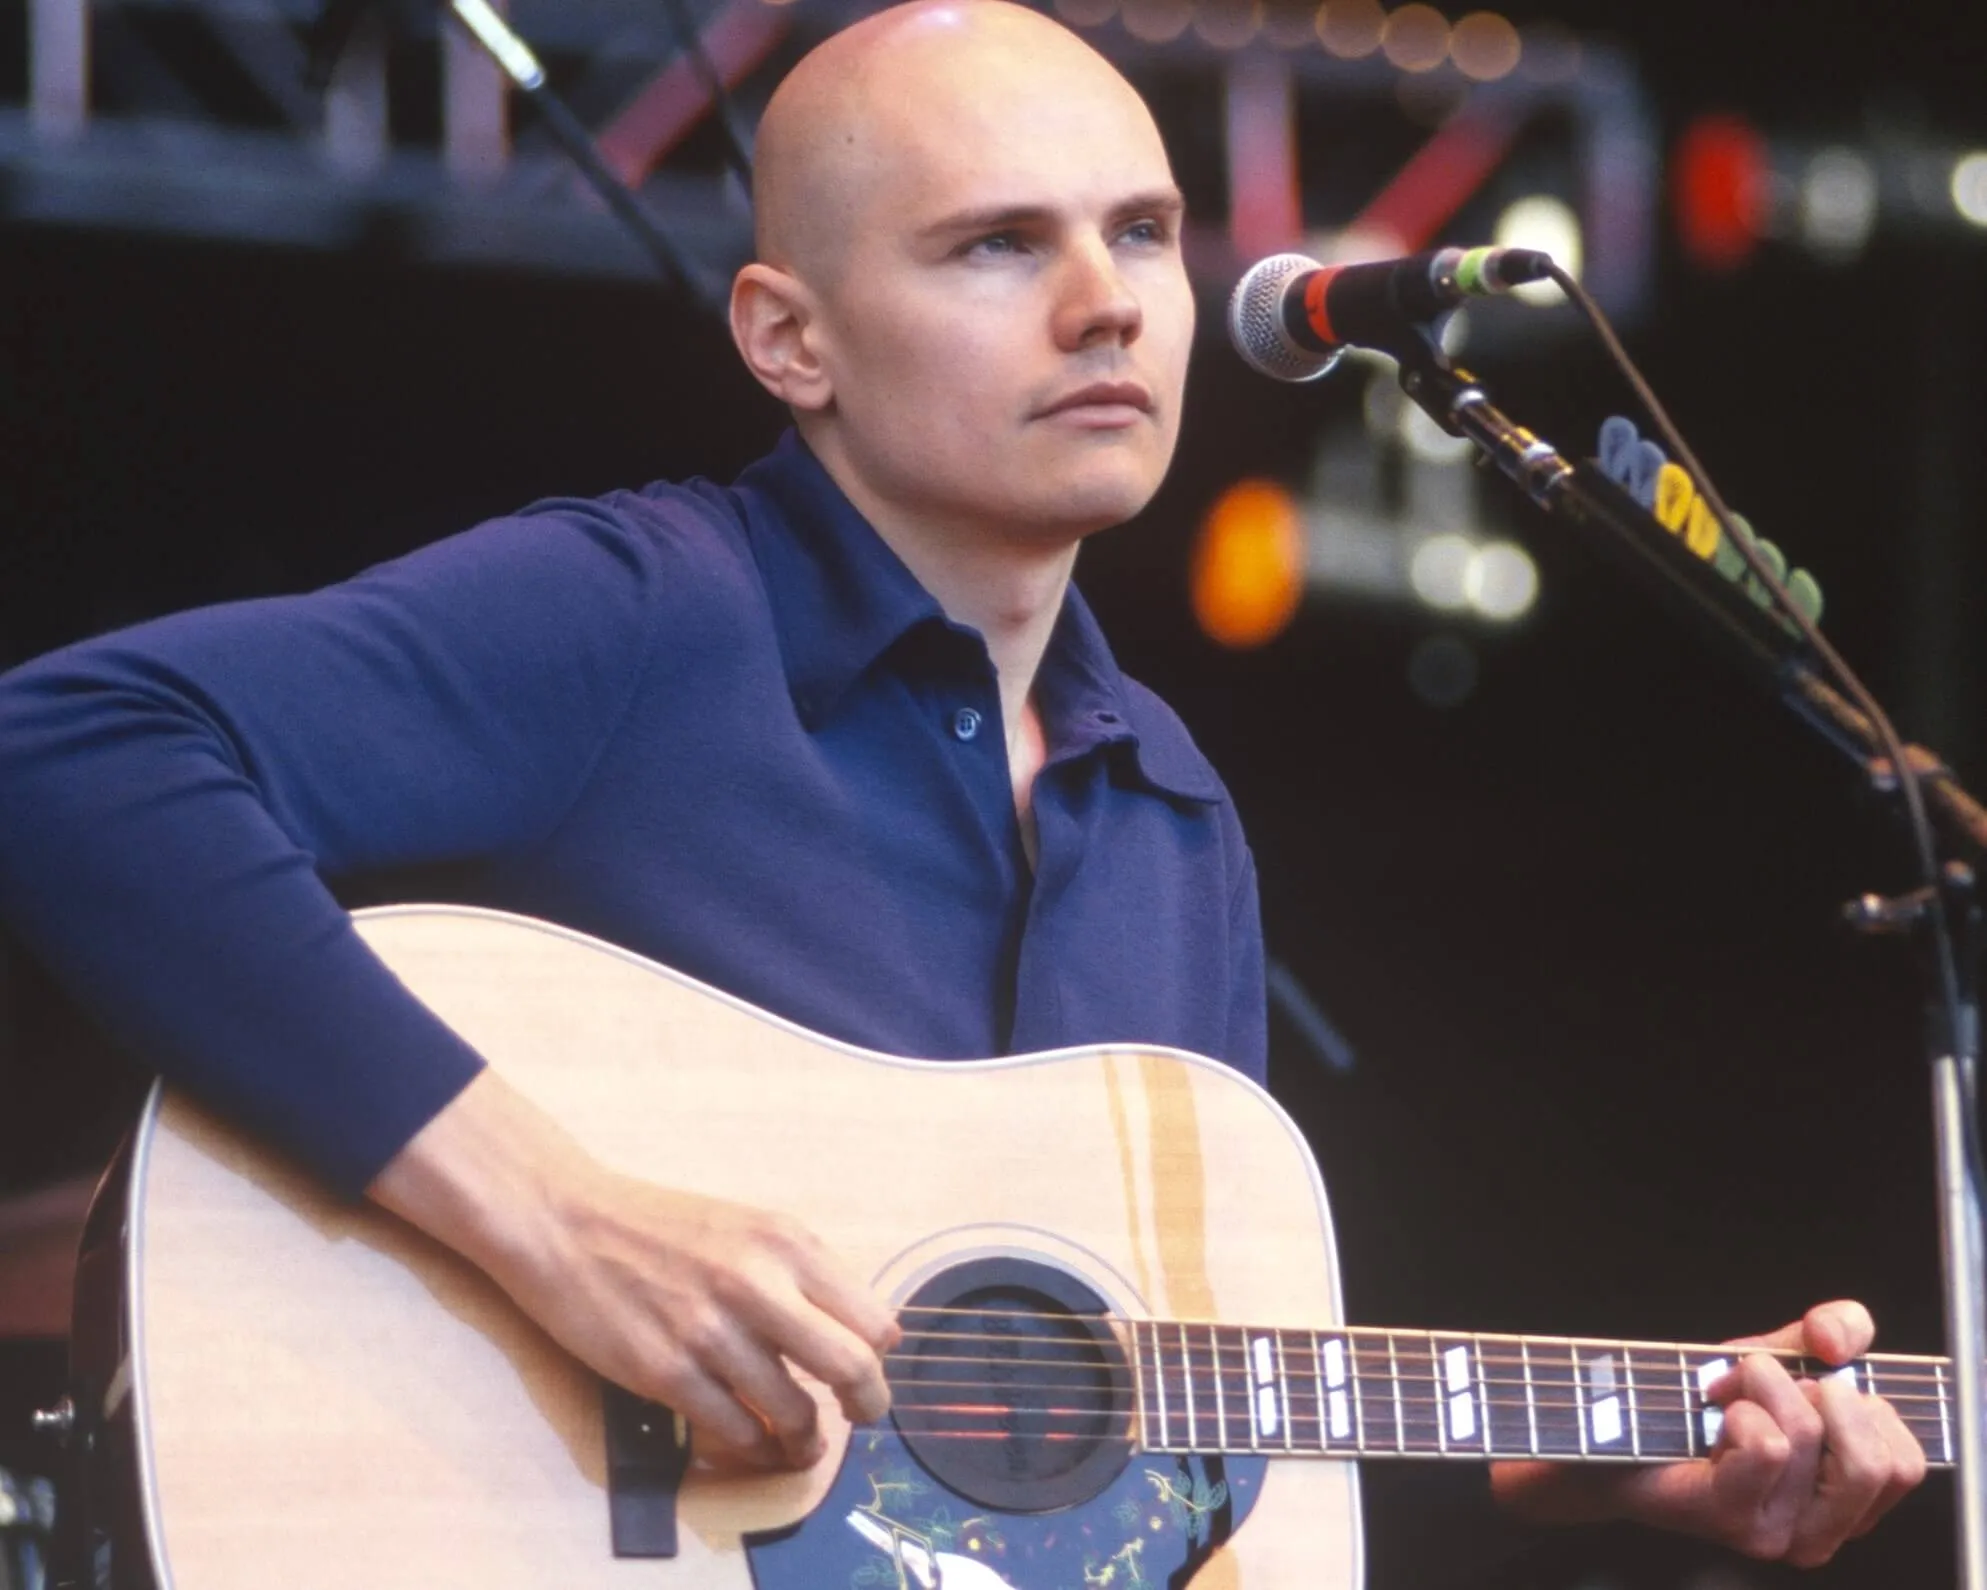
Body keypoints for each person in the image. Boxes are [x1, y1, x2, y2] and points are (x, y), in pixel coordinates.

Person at [0, 0, 1926, 1570]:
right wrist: (565, 1220)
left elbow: (1148, 1440)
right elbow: (68, 751)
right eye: (1000, 243)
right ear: (788, 336)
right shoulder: (650, 610)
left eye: (1146, 232)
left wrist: (1617, 1474)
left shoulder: (1165, 813)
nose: (1106, 304)